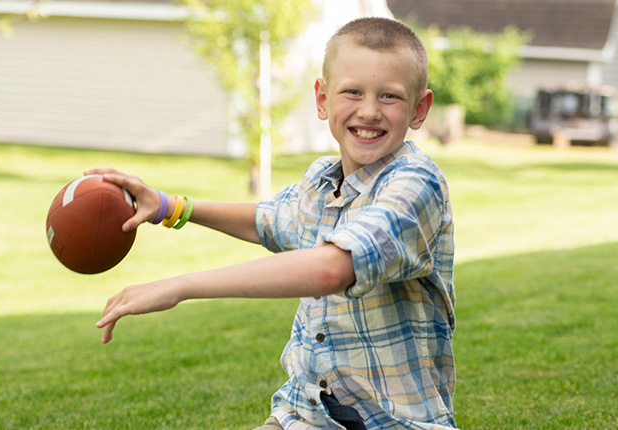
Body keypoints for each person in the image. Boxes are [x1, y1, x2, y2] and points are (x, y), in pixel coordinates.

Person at [90, 17, 456, 430]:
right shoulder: (321, 183)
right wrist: (167, 207)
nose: (369, 110)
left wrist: (180, 286)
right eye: (352, 92)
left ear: (419, 109)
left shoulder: (416, 183)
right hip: (305, 415)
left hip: (393, 423)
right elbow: (265, 220)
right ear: (322, 99)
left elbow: (330, 268)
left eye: (389, 96)